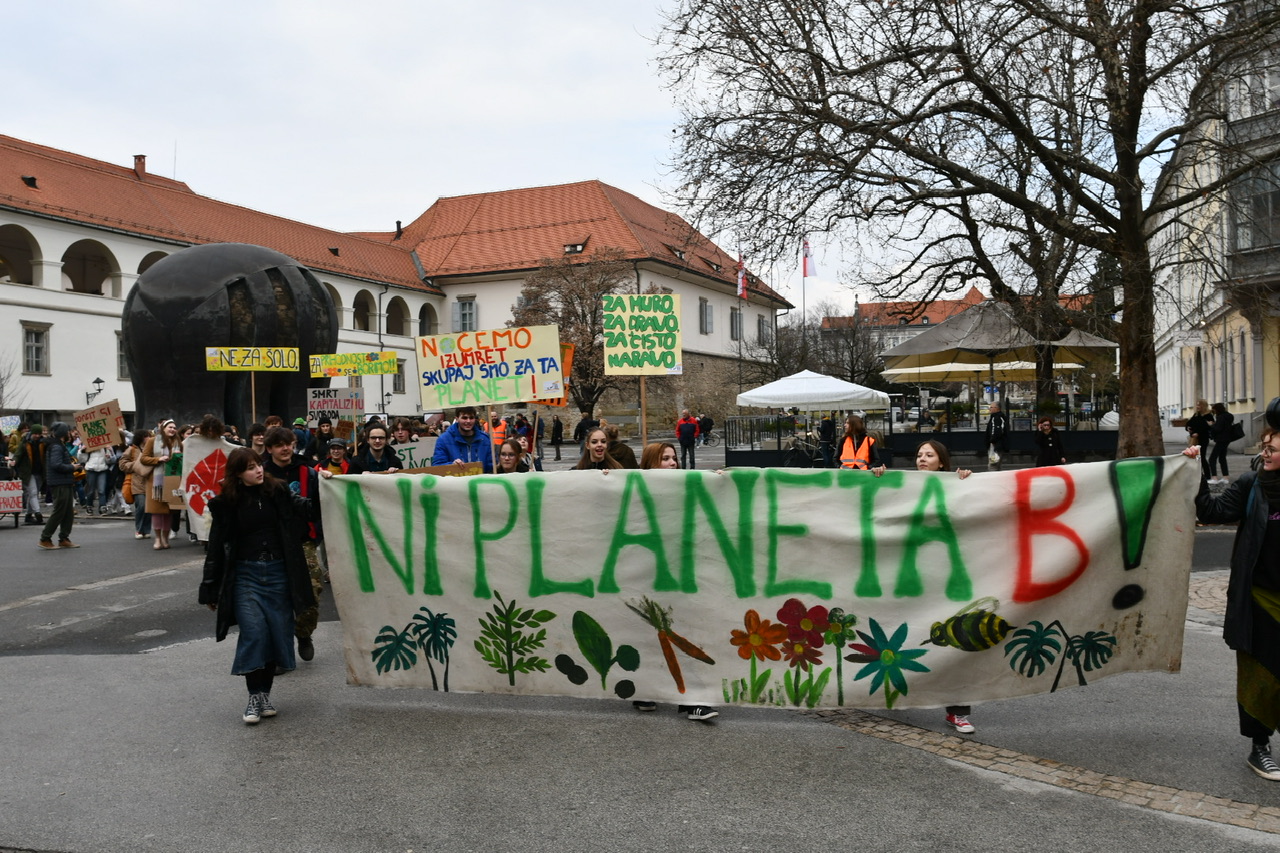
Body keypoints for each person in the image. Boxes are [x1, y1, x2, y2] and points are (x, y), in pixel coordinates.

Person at [198, 447, 318, 725]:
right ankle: (254, 696)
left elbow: (307, 509)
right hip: (245, 575)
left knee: (276, 633)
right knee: (254, 632)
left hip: (278, 573)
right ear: (238, 474)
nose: (258, 470)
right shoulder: (227, 503)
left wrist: (326, 486)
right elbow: (217, 547)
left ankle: (264, 695)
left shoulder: (279, 492)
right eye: (251, 467)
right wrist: (210, 588)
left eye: (258, 465)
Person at [1192, 415, 1280, 780]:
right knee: (1261, 675)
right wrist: (1194, 469)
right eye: (1266, 446)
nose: (1266, 452)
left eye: (1272, 448)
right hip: (1259, 596)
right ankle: (1259, 746)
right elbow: (1211, 512)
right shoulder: (1251, 484)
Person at [886, 439, 976, 733]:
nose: (922, 459)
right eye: (919, 454)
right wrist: (876, 477)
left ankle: (957, 711)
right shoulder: (902, 484)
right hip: (911, 579)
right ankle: (894, 696)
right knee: (904, 637)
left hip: (946, 578)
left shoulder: (956, 484)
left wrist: (967, 482)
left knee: (956, 642)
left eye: (929, 454)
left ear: (942, 461)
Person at [262, 426, 331, 663]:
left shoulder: (308, 472)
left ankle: (303, 633)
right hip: (271, 545)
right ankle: (279, 652)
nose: (285, 448)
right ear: (269, 448)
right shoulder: (260, 473)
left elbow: (319, 506)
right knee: (276, 601)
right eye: (279, 444)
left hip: (303, 542)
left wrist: (328, 484)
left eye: (288, 443)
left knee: (311, 593)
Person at [37, 422, 84, 550]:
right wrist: (72, 467)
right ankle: (45, 538)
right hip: (59, 483)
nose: (69, 433)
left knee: (68, 512)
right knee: (59, 511)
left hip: (65, 481)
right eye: (68, 431)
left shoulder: (58, 445)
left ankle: (64, 538)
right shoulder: (56, 446)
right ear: (64, 433)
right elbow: (56, 464)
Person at [142, 419, 182, 549]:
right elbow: (144, 458)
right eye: (170, 427)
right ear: (163, 428)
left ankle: (165, 538)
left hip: (172, 479)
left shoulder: (178, 442)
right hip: (156, 482)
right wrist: (158, 459)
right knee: (157, 511)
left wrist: (179, 456)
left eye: (174, 427)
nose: (172, 429)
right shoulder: (153, 441)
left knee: (169, 512)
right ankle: (158, 539)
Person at [431, 406, 494, 473]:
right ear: (457, 419)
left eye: (471, 418)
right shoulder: (444, 440)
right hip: (456, 482)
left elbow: (491, 466)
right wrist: (451, 465)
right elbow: (437, 466)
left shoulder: (484, 439)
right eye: (464, 418)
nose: (468, 421)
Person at [120, 429, 154, 539]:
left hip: (150, 481)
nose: (149, 438)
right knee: (141, 506)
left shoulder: (152, 449)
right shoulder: (132, 450)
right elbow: (122, 464)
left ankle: (147, 529)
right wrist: (136, 464)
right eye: (146, 436)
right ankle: (139, 529)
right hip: (136, 482)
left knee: (149, 507)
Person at [15, 424, 45, 526]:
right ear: (32, 433)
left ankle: (28, 515)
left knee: (34, 494)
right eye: (35, 433)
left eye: (39, 434)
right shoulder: (24, 442)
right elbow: (18, 454)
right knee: (33, 492)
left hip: (39, 472)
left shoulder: (43, 442)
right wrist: (14, 461)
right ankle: (38, 513)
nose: (37, 436)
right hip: (28, 472)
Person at [1209, 402, 1236, 485]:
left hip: (1221, 439)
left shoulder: (1220, 417)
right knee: (1222, 458)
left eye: (1214, 410)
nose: (1214, 412)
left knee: (1212, 458)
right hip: (1227, 439)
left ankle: (1214, 478)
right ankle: (1225, 477)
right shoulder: (1229, 416)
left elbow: (1218, 429)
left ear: (1217, 410)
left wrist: (1211, 425)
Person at [1187, 398, 1214, 479]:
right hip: (1194, 439)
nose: (1197, 406)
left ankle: (1207, 475)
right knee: (1195, 457)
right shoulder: (1196, 415)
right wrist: (1189, 429)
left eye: (1199, 405)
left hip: (1203, 438)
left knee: (1201, 456)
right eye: (1197, 405)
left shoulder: (1208, 416)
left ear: (1203, 406)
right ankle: (1198, 474)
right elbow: (1189, 423)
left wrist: (1198, 433)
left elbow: (1207, 428)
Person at [983, 403, 1010, 472]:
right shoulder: (1001, 417)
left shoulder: (996, 418)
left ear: (997, 408)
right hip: (1000, 445)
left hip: (996, 445)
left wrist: (992, 440)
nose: (990, 409)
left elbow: (996, 430)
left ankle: (992, 481)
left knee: (993, 465)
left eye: (992, 407)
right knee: (997, 465)